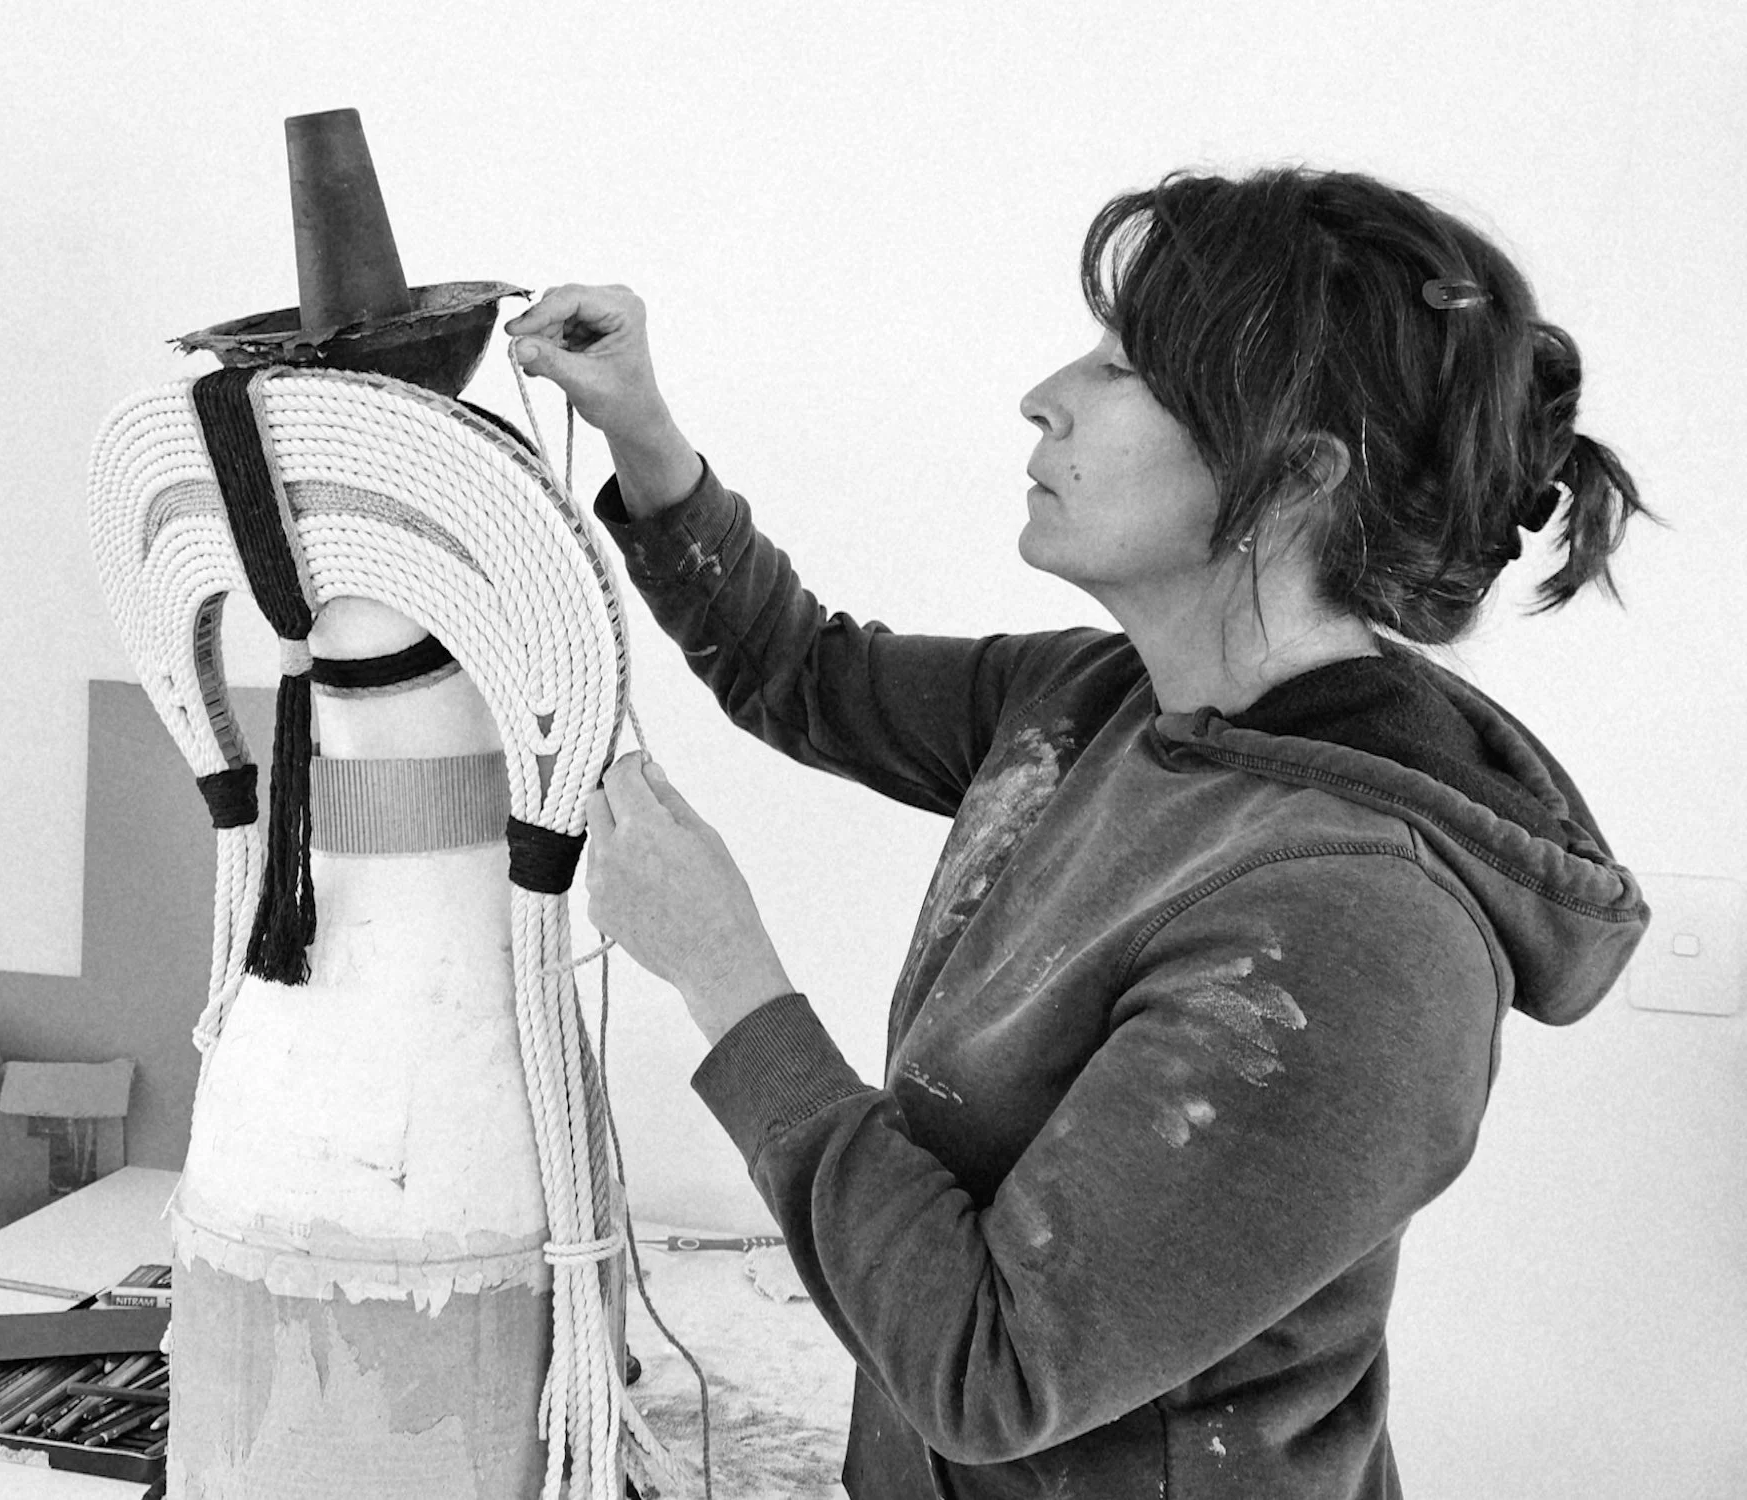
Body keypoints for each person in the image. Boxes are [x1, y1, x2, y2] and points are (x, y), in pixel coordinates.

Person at [505, 166, 1651, 1500]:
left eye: (1123, 370)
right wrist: (641, 429)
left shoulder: (1360, 933)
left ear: (1293, 479)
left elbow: (995, 1373)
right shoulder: (1100, 701)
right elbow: (803, 674)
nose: (1044, 395)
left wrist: (728, 976)